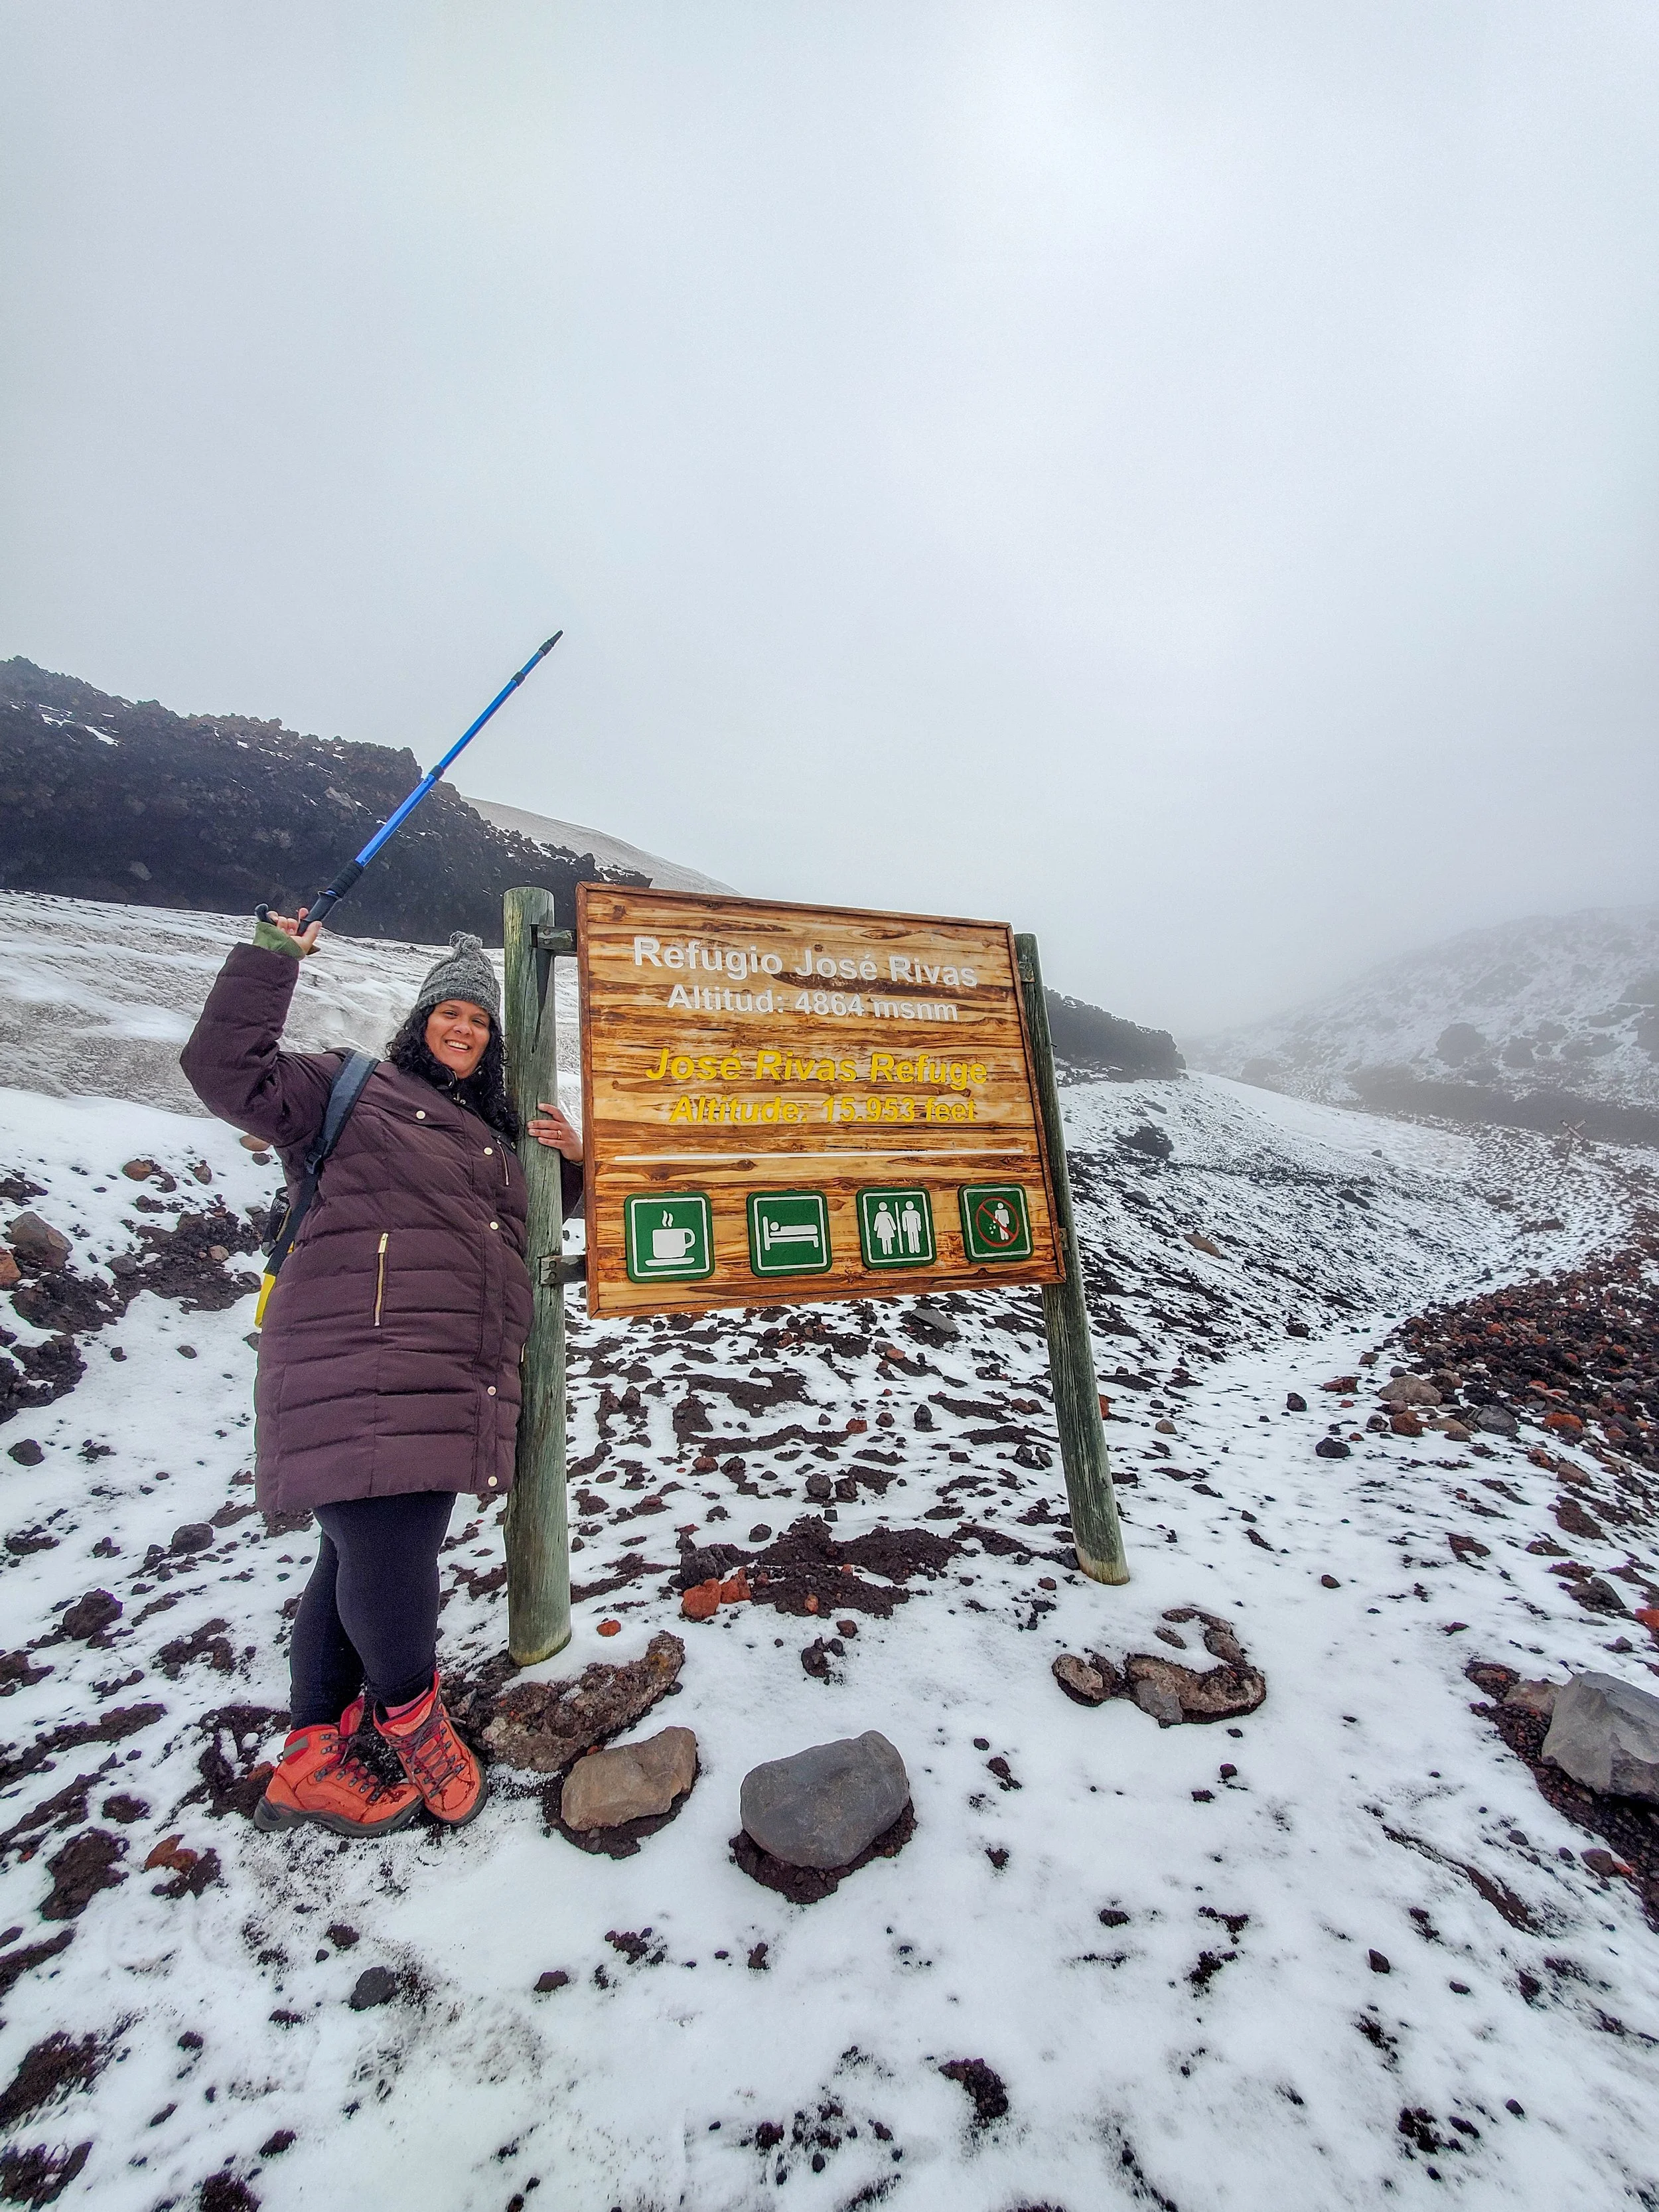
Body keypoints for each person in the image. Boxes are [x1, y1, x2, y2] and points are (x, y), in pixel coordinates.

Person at [180, 911, 582, 1838]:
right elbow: (226, 1073)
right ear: (420, 1019)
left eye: (478, 1019)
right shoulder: (348, 1088)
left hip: (447, 1375)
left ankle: (311, 1756)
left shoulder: (494, 1136)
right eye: (450, 1012)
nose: (464, 1028)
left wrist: (576, 1161)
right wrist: (272, 960)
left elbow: (546, 1213)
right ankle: (413, 1721)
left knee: (354, 1553)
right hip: (359, 1360)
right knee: (392, 1553)